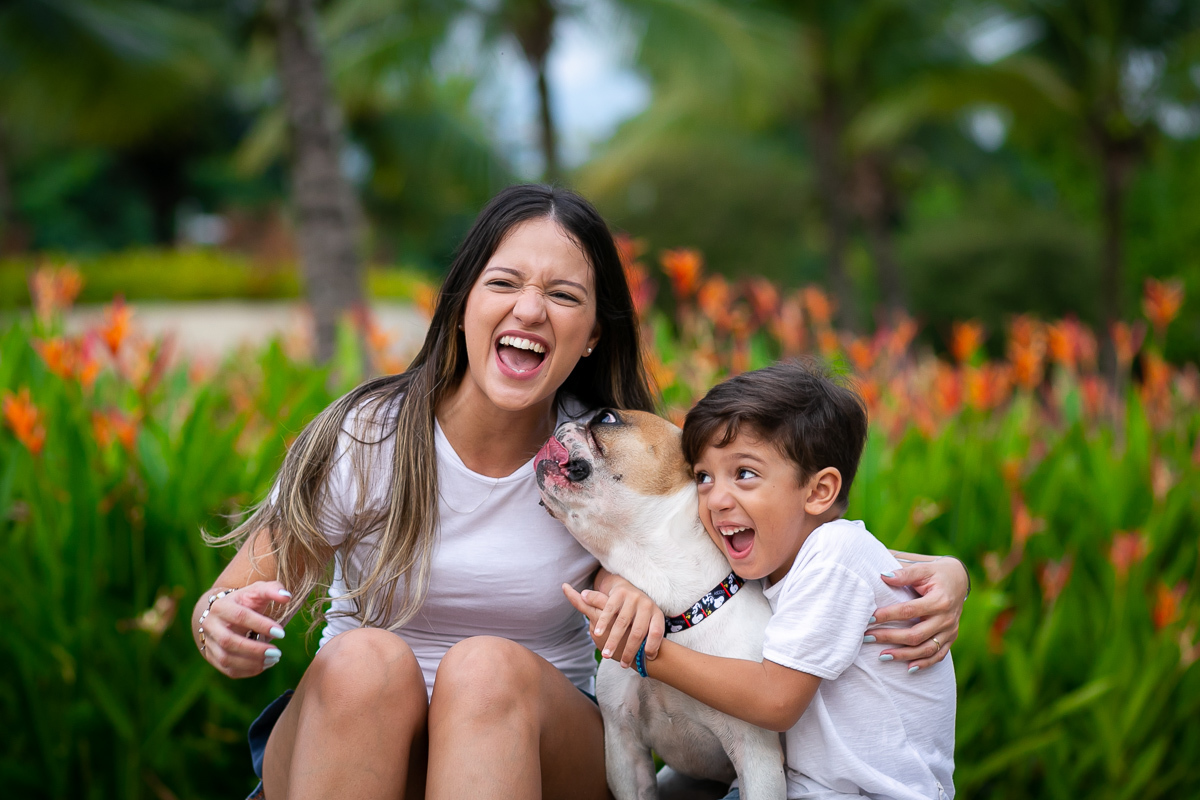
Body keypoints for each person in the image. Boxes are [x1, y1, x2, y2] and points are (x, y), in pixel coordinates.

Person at [191, 185, 967, 800]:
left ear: (594, 331)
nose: (529, 309)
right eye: (504, 283)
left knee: (485, 668)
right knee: (364, 659)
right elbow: (233, 596)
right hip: (353, 736)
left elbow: (761, 536)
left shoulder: (604, 462)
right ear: (462, 302)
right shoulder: (369, 436)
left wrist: (931, 572)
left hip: (526, 740)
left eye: (563, 295)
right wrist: (221, 624)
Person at [569, 360, 957, 799]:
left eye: (745, 474)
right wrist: (953, 569)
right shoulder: (782, 559)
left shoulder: (835, 556)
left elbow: (776, 701)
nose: (715, 499)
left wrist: (641, 650)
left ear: (819, 492)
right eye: (703, 477)